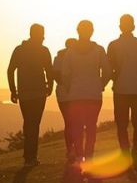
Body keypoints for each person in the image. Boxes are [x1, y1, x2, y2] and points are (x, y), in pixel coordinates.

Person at [107, 14, 137, 168]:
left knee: (121, 124)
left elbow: (109, 68)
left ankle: (125, 153)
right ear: (133, 26)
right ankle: (135, 152)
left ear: (120, 26)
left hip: (121, 89)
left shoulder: (113, 45)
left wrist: (116, 78)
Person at [63, 20, 110, 166]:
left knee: (76, 126)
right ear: (92, 31)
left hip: (76, 95)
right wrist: (101, 84)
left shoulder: (70, 51)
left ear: (78, 31)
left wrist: (70, 87)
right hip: (94, 94)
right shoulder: (99, 50)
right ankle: (89, 156)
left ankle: (79, 156)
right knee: (91, 127)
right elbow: (108, 71)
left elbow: (64, 74)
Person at [7, 23, 54, 166]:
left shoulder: (20, 50)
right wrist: (50, 87)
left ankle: (29, 156)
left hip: (26, 94)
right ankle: (31, 157)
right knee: (34, 124)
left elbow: (10, 71)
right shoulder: (43, 50)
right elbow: (49, 71)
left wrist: (13, 91)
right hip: (38, 93)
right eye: (42, 34)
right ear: (39, 35)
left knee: (29, 124)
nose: (44, 37)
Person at [52, 38, 76, 163]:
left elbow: (55, 75)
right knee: (75, 121)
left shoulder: (58, 58)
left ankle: (70, 149)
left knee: (68, 122)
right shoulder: (76, 56)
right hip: (73, 93)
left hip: (63, 93)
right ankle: (74, 148)